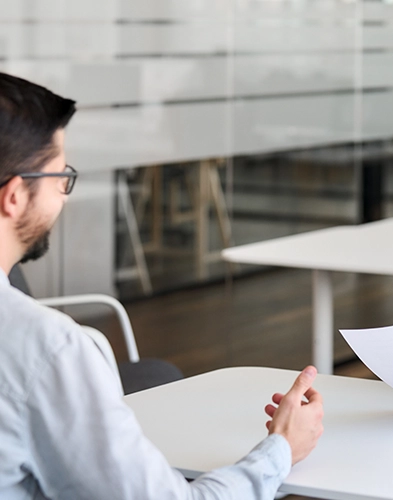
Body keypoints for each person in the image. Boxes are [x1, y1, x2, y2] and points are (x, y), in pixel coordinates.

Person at [0, 71, 324, 498]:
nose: (65, 195)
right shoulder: (44, 351)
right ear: (15, 196)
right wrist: (282, 447)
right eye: (61, 178)